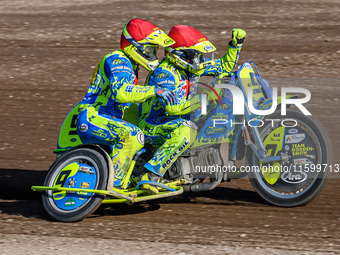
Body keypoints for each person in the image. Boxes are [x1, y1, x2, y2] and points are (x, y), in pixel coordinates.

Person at [58, 18, 176, 188]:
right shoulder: (118, 60)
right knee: (132, 135)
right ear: (134, 46)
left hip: (108, 119)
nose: (152, 55)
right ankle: (113, 183)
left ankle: (135, 178)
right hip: (93, 117)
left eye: (154, 50)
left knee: (148, 137)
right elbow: (122, 93)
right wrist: (155, 90)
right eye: (149, 49)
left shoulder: (131, 64)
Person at [138, 25, 246, 194]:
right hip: (153, 125)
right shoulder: (165, 74)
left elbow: (224, 66)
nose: (200, 61)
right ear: (181, 55)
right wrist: (201, 100)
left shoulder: (192, 68)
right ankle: (151, 174)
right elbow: (173, 108)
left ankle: (201, 165)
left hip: (179, 119)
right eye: (196, 56)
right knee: (186, 131)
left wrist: (235, 45)